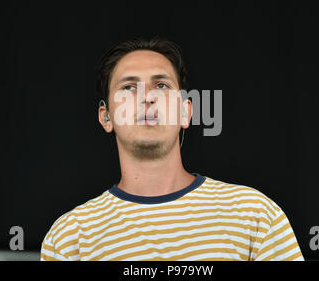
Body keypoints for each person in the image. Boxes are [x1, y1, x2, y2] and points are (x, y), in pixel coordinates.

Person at [40, 37, 304, 261]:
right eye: (128, 87)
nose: (147, 97)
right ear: (106, 117)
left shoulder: (255, 214)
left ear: (185, 112)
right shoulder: (69, 238)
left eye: (162, 86)